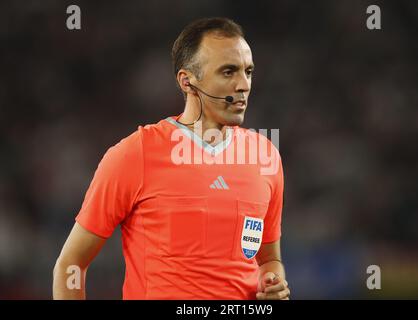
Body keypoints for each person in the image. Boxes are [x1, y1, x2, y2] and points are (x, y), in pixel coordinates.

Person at [53, 17, 290, 300]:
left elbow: (268, 260)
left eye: (248, 71)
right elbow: (71, 264)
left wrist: (273, 284)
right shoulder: (135, 154)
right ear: (187, 81)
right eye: (228, 72)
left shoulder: (265, 156)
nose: (243, 84)